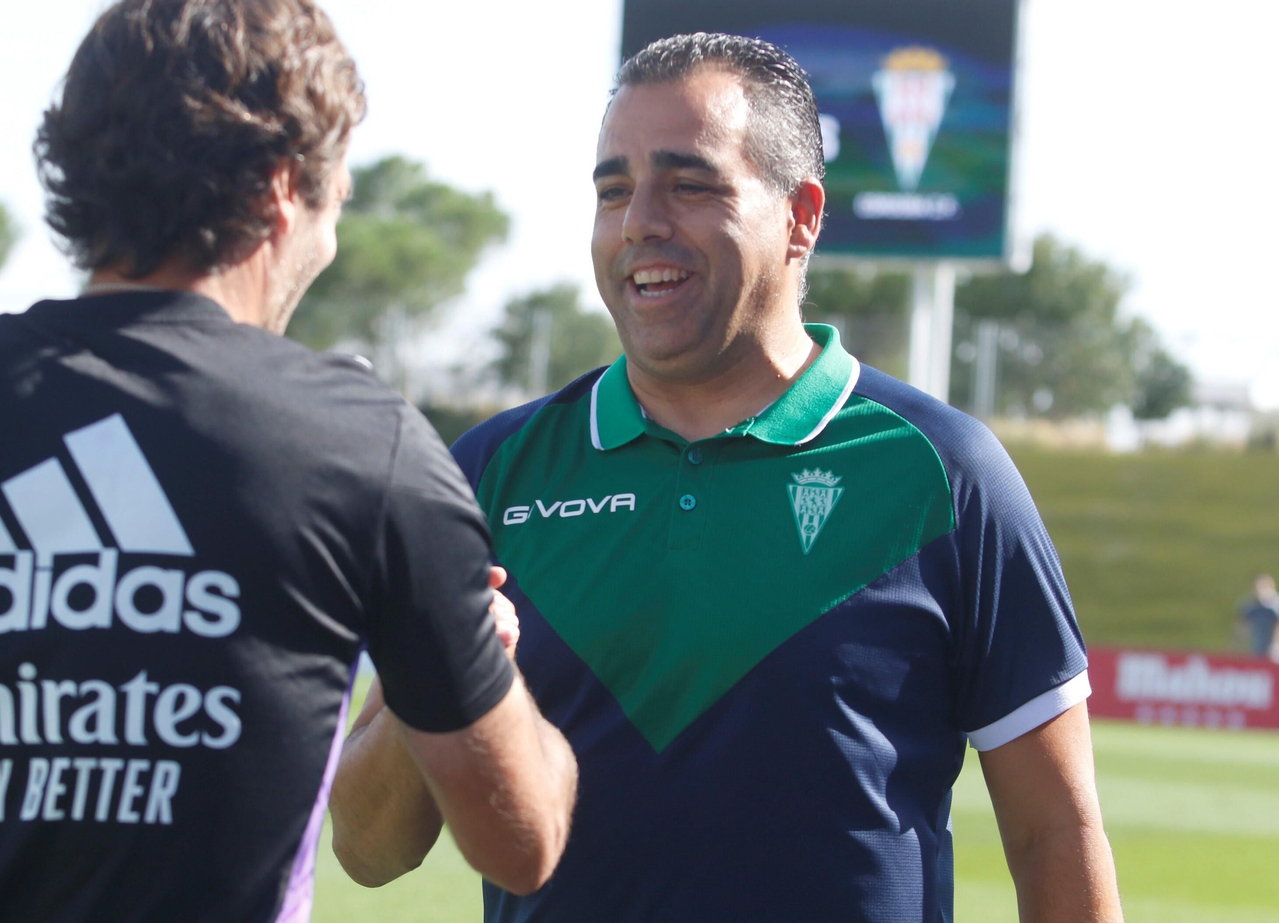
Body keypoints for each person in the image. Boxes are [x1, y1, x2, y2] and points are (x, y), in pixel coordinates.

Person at [0, 1, 576, 920]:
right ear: (285, 187)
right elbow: (525, 840)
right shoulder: (366, 450)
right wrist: (477, 654)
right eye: (338, 199)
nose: (333, 237)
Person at [332, 33, 1122, 922]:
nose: (639, 223)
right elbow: (367, 850)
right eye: (614, 190)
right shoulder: (491, 473)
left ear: (802, 217)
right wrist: (446, 665)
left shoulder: (945, 474)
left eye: (691, 183)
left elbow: (1055, 831)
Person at [1236, 573, 1279, 662]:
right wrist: (1240, 647)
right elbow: (1241, 627)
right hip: (1256, 648)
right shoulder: (1249, 606)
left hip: (1276, 650)